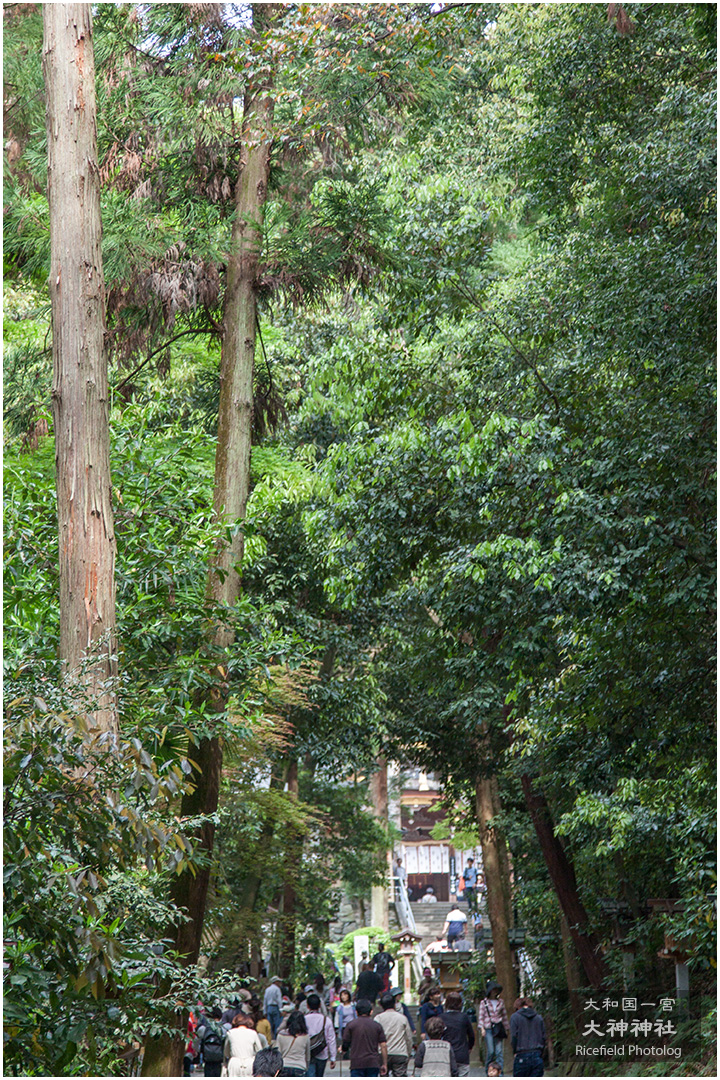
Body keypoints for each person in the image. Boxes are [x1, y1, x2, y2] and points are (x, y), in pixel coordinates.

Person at [341, 998, 388, 1077]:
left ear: (356, 1012)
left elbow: (346, 1043)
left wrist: (343, 1049)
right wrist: (384, 1064)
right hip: (373, 1063)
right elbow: (383, 1045)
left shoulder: (351, 1025)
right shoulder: (377, 1026)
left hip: (357, 1063)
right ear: (371, 1011)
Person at [375, 992, 413, 1076]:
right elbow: (408, 1038)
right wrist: (408, 1053)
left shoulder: (378, 1018)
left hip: (382, 1053)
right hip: (400, 1052)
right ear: (394, 1004)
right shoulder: (402, 1018)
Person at [439, 992, 475, 1078]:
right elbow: (471, 1035)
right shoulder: (464, 1017)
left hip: (446, 1054)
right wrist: (469, 1047)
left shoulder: (441, 1017)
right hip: (462, 1053)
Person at [478, 983, 509, 1076]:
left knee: (499, 1051)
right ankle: (489, 1071)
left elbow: (504, 1016)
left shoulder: (501, 1002)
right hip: (488, 1028)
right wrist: (482, 1028)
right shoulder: (484, 1002)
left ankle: (500, 1073)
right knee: (491, 1051)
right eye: (493, 989)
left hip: (498, 1028)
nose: (495, 991)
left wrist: (506, 1028)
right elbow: (481, 1016)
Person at [510, 997, 546, 1077]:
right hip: (537, 1054)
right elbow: (543, 1037)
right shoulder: (539, 1018)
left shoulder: (515, 1017)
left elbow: (514, 1036)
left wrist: (515, 1051)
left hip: (521, 1054)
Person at [304, 993, 337, 1076]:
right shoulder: (326, 1020)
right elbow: (331, 1039)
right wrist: (333, 1057)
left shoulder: (304, 1019)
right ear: (319, 1006)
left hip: (308, 1053)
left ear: (307, 1006)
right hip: (322, 1053)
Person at [277, 1010, 311, 1076]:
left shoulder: (281, 1034)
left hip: (284, 1066)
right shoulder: (305, 1036)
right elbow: (307, 1056)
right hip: (300, 1067)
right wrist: (306, 1067)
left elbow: (278, 1053)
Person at [197, 1006, 226, 1078]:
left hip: (207, 1058)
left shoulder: (203, 1028)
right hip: (219, 1058)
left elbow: (196, 1042)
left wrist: (199, 1051)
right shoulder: (224, 1028)